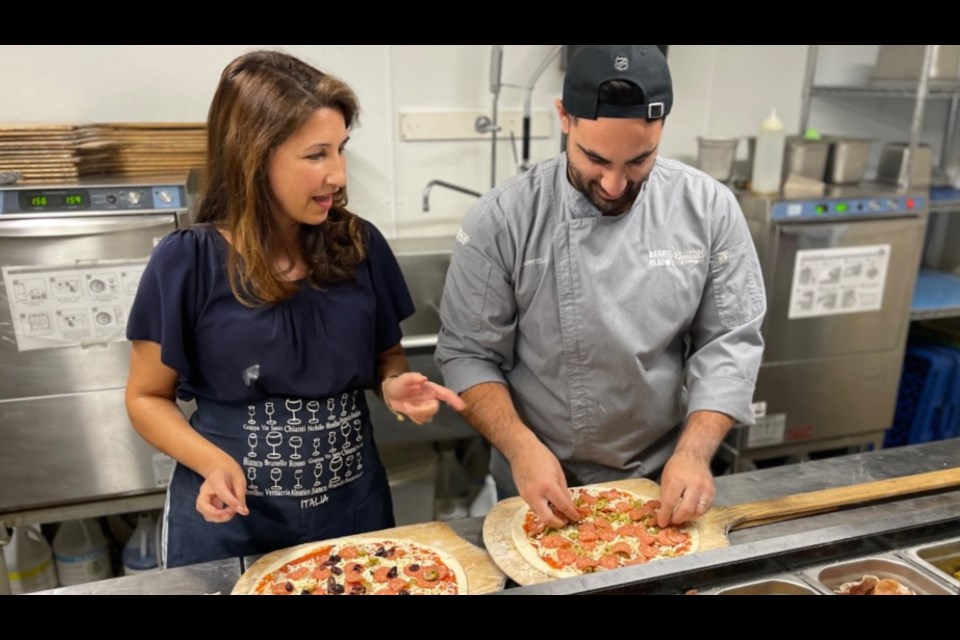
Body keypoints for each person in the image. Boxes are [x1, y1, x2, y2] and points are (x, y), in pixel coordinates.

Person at [125, 50, 465, 568]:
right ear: (254, 157)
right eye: (316, 155)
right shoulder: (186, 261)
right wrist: (210, 463)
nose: (338, 175)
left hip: (354, 514)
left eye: (341, 150)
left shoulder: (359, 244)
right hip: (232, 525)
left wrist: (397, 386)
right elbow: (146, 396)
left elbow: (387, 359)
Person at [435, 45, 766, 531]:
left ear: (662, 131)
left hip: (659, 485)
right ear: (564, 118)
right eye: (595, 159)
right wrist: (521, 448)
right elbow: (467, 353)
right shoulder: (503, 218)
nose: (614, 184)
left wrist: (694, 453)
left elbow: (729, 341)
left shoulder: (708, 208)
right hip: (537, 481)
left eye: (639, 161)